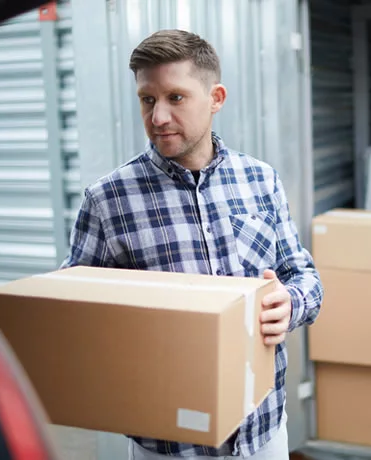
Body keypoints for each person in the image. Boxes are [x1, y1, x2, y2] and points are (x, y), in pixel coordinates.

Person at [60, 29, 324, 459]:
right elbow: (73, 316)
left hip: (262, 432)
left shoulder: (260, 180)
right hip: (167, 445)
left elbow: (304, 277)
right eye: (148, 100)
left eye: (175, 98)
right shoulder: (107, 199)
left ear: (215, 97)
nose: (158, 116)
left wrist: (291, 303)